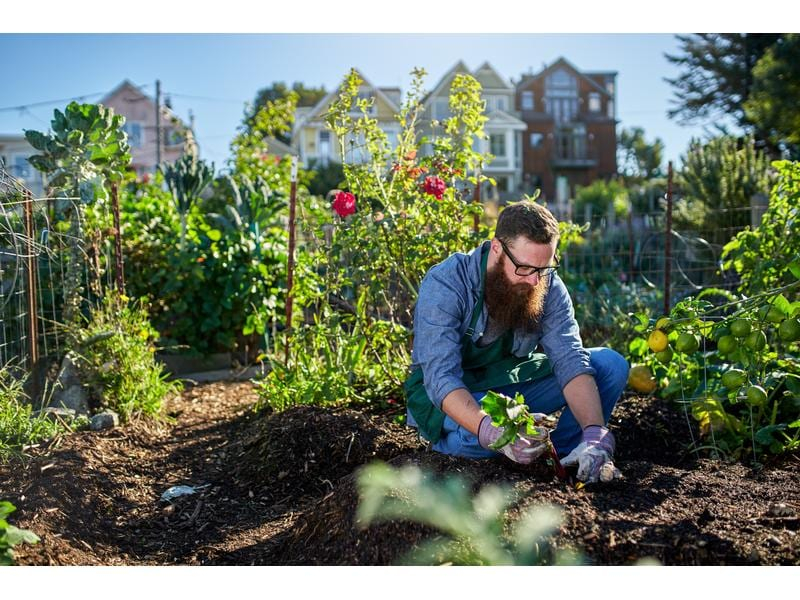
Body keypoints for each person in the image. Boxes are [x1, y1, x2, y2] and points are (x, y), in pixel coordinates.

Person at [404, 200, 629, 483]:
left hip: (507, 385)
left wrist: (595, 432)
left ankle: (568, 457)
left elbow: (569, 358)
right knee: (483, 438)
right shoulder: (447, 283)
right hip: (450, 395)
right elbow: (441, 377)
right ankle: (447, 450)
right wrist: (490, 430)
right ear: (497, 248)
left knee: (610, 365)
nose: (535, 281)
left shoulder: (546, 284)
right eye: (524, 268)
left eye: (544, 268)